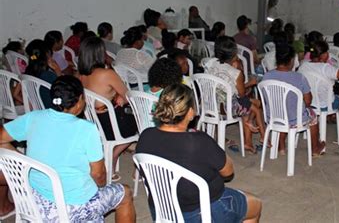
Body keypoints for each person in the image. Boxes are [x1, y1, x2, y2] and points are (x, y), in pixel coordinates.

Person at [0, 76, 135, 222]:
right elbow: (98, 176)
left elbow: (1, 139)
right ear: (79, 101)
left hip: (34, 200)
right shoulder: (87, 129)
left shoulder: (33, 117)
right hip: (72, 208)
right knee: (125, 193)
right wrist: (101, 185)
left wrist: (21, 162)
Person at [136, 84, 262, 222]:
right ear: (190, 113)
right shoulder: (198, 142)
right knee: (255, 205)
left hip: (162, 211)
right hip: (201, 213)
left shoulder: (145, 135)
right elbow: (228, 172)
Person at [78, 37, 138, 180]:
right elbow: (128, 94)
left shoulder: (80, 76)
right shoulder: (107, 74)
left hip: (96, 122)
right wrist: (121, 97)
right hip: (113, 123)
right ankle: (113, 155)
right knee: (141, 121)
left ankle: (111, 156)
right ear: (100, 53)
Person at [264, 44, 326, 156]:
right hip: (294, 119)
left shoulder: (267, 76)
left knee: (284, 109)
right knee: (313, 114)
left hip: (272, 117)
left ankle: (281, 145)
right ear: (291, 60)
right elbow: (308, 101)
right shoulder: (299, 77)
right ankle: (315, 148)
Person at [207, 36, 265, 153]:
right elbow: (242, 94)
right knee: (248, 108)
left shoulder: (210, 65)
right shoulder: (235, 73)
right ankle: (248, 142)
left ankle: (248, 140)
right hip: (227, 109)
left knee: (254, 104)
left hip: (209, 104)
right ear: (234, 54)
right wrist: (251, 82)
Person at [298, 40, 339, 140]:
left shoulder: (303, 66)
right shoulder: (325, 67)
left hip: (308, 103)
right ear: (324, 54)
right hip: (325, 104)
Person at [24, 39, 62, 109]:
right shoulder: (48, 76)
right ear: (47, 55)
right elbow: (64, 91)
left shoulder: (28, 72)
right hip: (52, 110)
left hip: (39, 110)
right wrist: (58, 70)